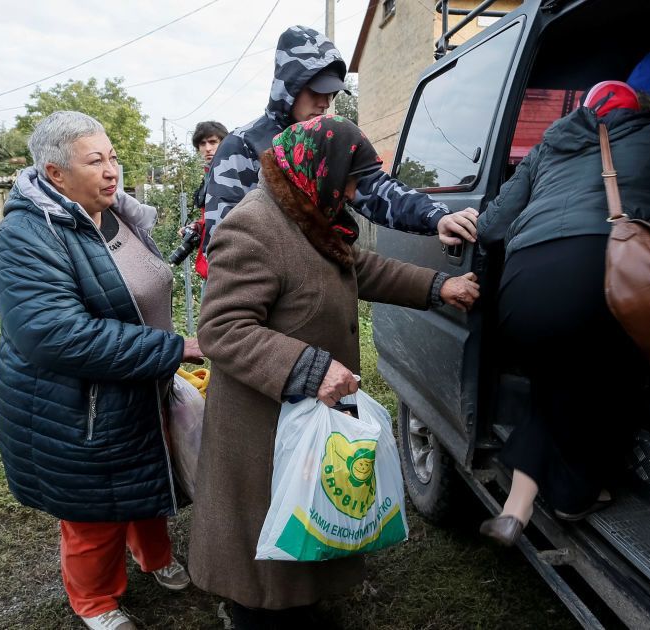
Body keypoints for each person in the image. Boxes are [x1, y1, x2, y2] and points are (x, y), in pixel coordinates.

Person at [188, 115, 479, 627]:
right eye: (349, 179)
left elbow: (358, 267)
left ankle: (302, 606)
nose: (353, 191)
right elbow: (222, 329)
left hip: (300, 414)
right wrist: (310, 367)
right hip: (263, 425)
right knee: (264, 558)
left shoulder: (309, 214)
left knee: (304, 531)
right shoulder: (253, 226)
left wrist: (438, 287)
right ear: (319, 169)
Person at [474, 79, 650, 546]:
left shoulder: (549, 146)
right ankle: (573, 494)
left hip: (521, 290)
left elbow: (491, 226)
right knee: (619, 380)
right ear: (640, 109)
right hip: (609, 281)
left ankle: (515, 508)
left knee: (555, 383)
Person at [0, 111, 205, 630]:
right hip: (76, 402)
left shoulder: (117, 213)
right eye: (95, 161)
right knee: (93, 513)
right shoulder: (27, 236)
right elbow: (53, 334)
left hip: (136, 381)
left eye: (113, 157)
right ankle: (96, 602)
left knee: (149, 481)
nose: (112, 171)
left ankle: (154, 557)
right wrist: (173, 348)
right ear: (55, 173)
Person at [201, 25, 479, 258]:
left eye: (331, 93)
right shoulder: (244, 144)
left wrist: (436, 216)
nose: (325, 103)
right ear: (289, 87)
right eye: (316, 91)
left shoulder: (329, 145)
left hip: (322, 296)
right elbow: (224, 240)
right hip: (267, 304)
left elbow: (375, 189)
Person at [180, 120, 228, 280]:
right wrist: (197, 227)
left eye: (213, 142)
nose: (207, 148)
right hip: (210, 265)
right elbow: (211, 217)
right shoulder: (209, 175)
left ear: (224, 142)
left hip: (227, 265)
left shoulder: (232, 174)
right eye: (202, 143)